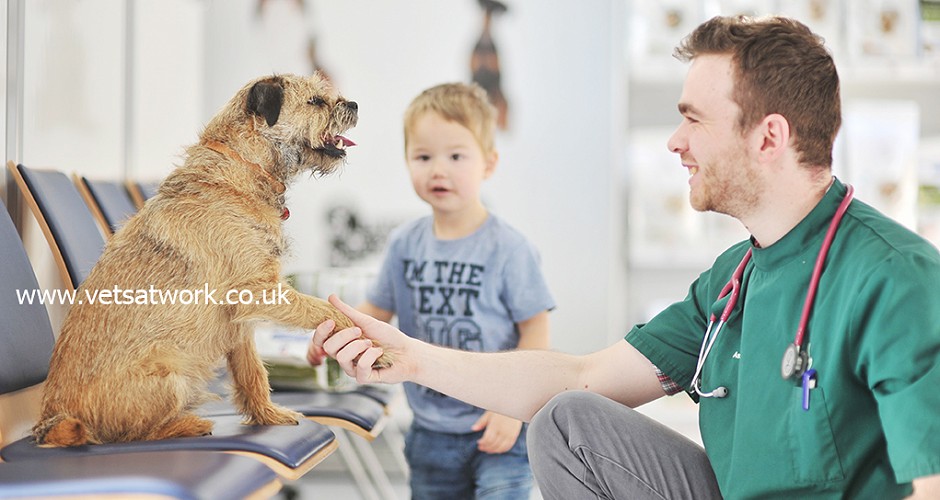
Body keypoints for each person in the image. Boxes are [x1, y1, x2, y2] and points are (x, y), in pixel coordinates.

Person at [312, 16, 940, 499]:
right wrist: (411, 357)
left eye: (693, 120)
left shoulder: (893, 276)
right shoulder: (733, 280)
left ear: (768, 136)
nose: (675, 141)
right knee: (569, 421)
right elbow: (582, 377)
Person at [309, 82, 555, 499]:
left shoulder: (510, 248)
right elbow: (377, 312)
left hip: (500, 427)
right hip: (430, 431)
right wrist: (336, 334)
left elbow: (536, 331)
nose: (438, 169)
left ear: (489, 163)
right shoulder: (405, 244)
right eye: (423, 157)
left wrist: (514, 406)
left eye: (456, 156)